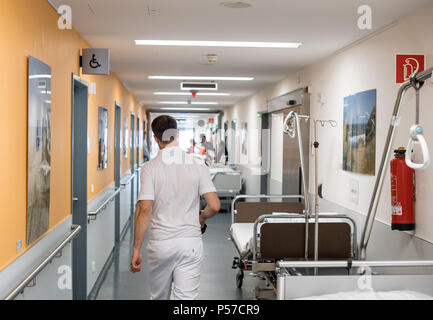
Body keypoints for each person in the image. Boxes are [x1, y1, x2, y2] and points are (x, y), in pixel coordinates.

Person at [130, 115, 220, 300]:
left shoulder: (150, 168)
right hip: (190, 243)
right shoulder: (197, 164)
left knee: (158, 297)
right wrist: (201, 217)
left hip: (161, 243)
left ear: (155, 138)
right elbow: (214, 206)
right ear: (177, 134)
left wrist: (136, 249)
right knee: (185, 300)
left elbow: (145, 210)